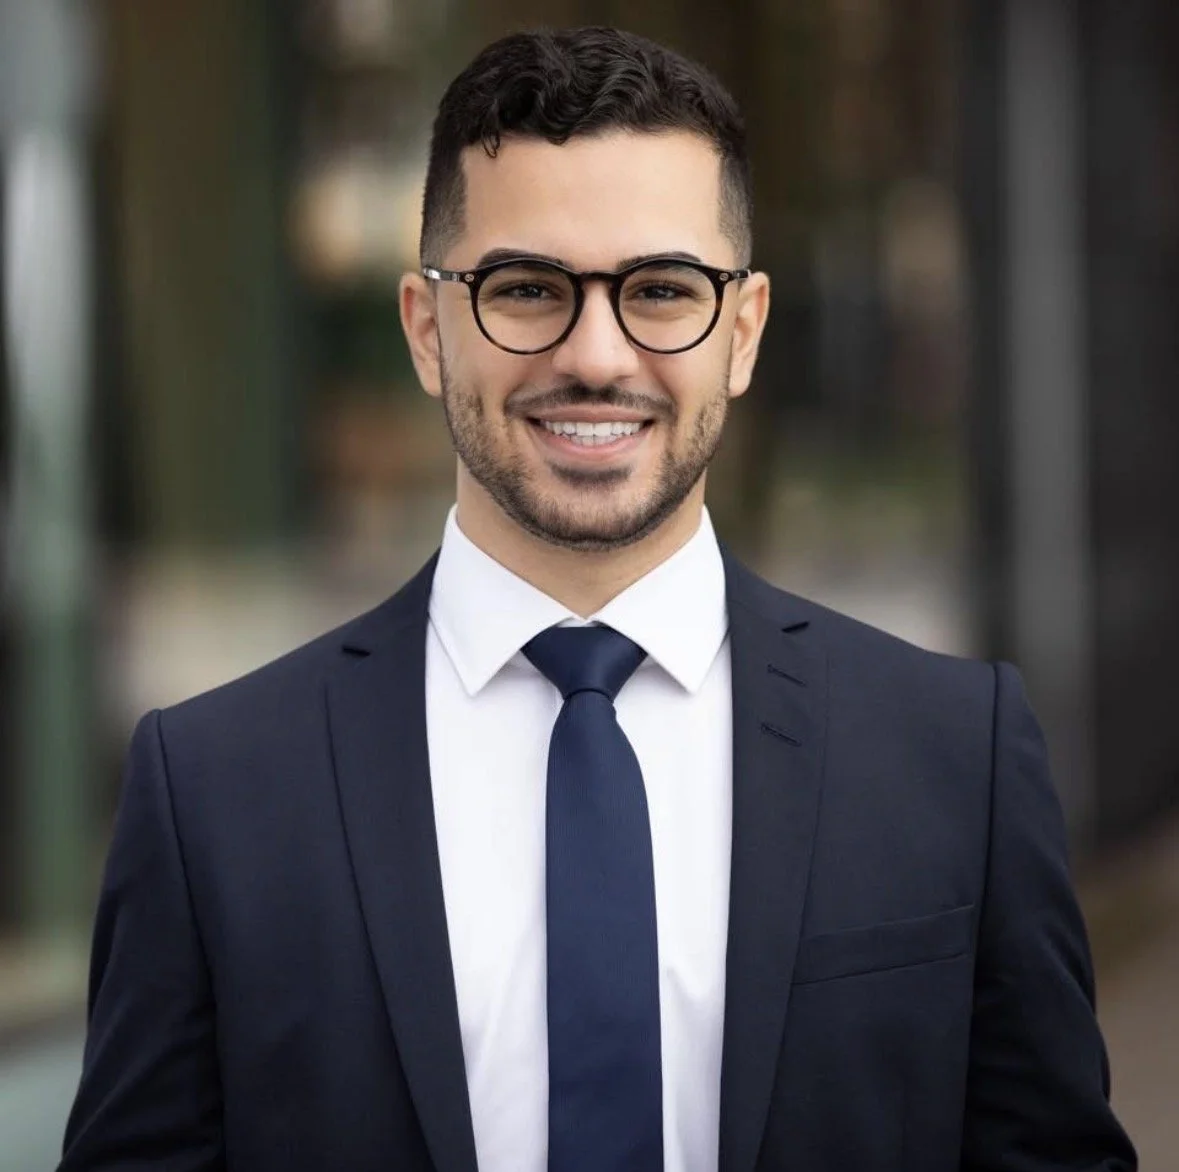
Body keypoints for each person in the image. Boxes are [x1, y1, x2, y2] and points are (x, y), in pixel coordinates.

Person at [60, 25, 1135, 1172]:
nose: (598, 352)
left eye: (662, 289)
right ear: (428, 330)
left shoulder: (952, 755)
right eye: (526, 288)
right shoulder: (212, 790)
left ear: (744, 329)